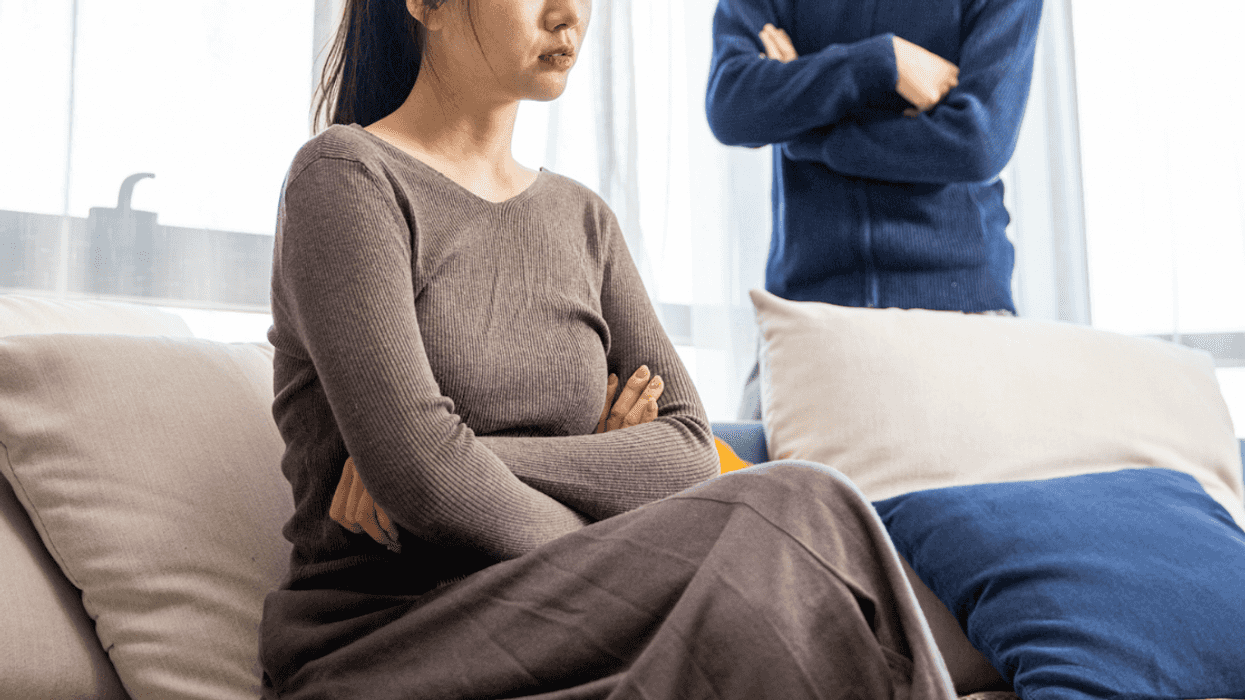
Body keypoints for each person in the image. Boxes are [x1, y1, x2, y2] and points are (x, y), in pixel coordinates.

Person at [258, 0, 959, 697]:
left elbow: (687, 448)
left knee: (794, 571)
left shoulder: (582, 218)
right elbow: (428, 480)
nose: (569, 14)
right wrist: (592, 504)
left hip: (579, 622)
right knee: (798, 504)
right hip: (390, 639)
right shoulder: (347, 177)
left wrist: (463, 455)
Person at [705, 0, 1044, 419]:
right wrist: (881, 60)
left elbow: (978, 142)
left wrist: (806, 134)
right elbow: (731, 102)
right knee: (744, 480)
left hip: (960, 313)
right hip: (808, 314)